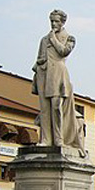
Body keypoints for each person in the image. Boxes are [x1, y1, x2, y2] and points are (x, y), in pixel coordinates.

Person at [32, 9, 84, 154]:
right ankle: (46, 140)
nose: (53, 24)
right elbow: (39, 58)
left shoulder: (70, 38)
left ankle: (59, 139)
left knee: (56, 106)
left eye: (56, 21)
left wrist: (53, 39)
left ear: (62, 22)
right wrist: (39, 66)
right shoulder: (43, 40)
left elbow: (63, 52)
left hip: (58, 74)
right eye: (51, 21)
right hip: (44, 74)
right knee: (44, 109)